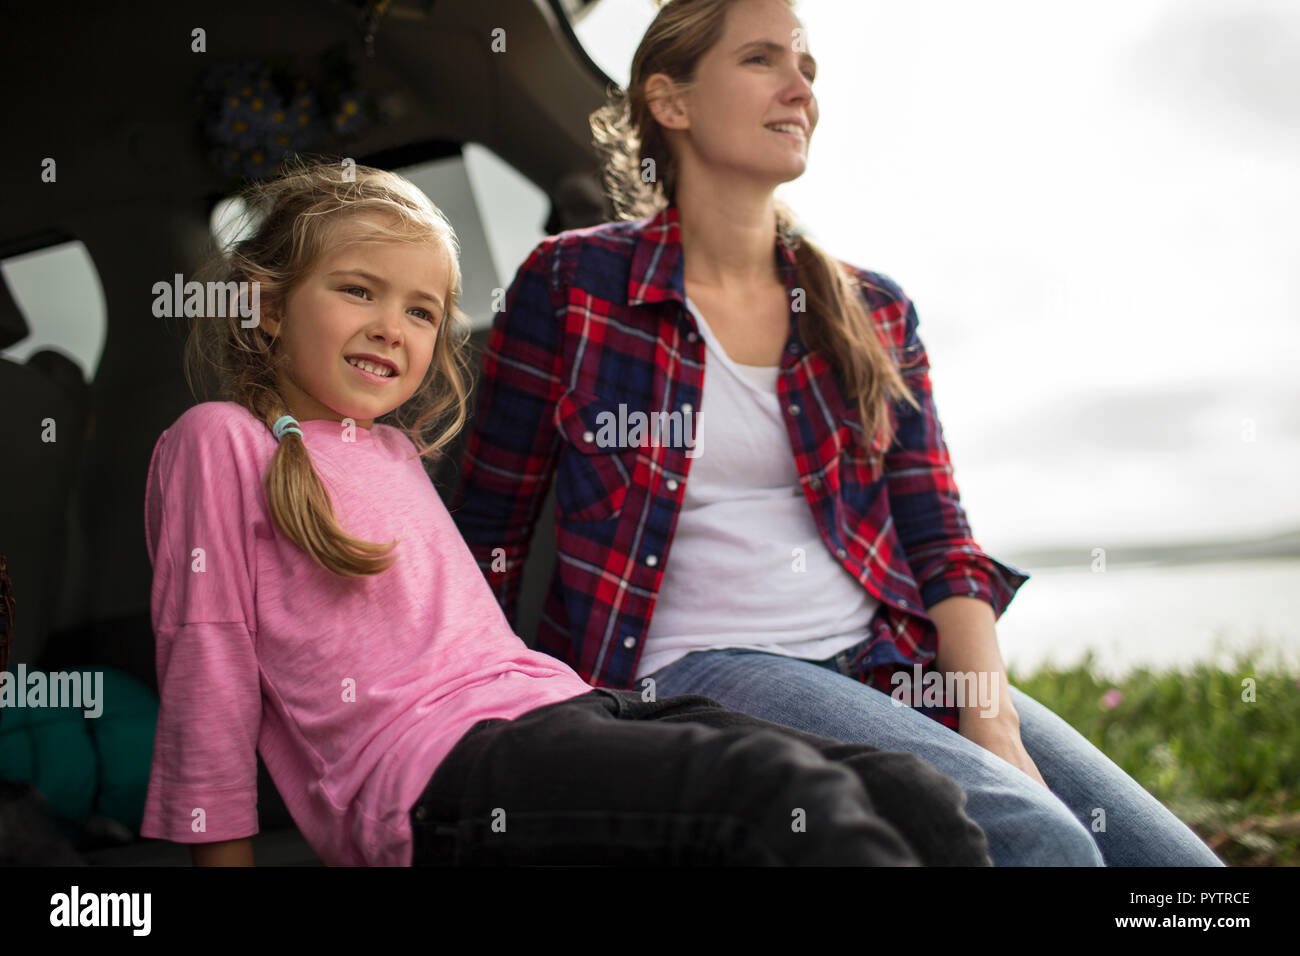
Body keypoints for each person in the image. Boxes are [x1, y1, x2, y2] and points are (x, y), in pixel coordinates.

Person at [448, 0, 1223, 866]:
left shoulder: (873, 308)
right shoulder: (571, 284)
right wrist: (507, 744)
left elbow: (943, 545)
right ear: (670, 101)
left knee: (1187, 879)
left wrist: (989, 718)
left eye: (808, 68)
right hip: (692, 673)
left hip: (887, 659)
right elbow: (491, 539)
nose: (800, 89)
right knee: (1044, 844)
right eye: (762, 61)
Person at [138, 158, 992, 867]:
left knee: (916, 794)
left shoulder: (393, 453)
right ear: (270, 302)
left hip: (565, 706)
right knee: (779, 796)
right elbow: (204, 666)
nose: (392, 327)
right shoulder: (218, 441)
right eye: (359, 291)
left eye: (422, 310)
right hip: (435, 776)